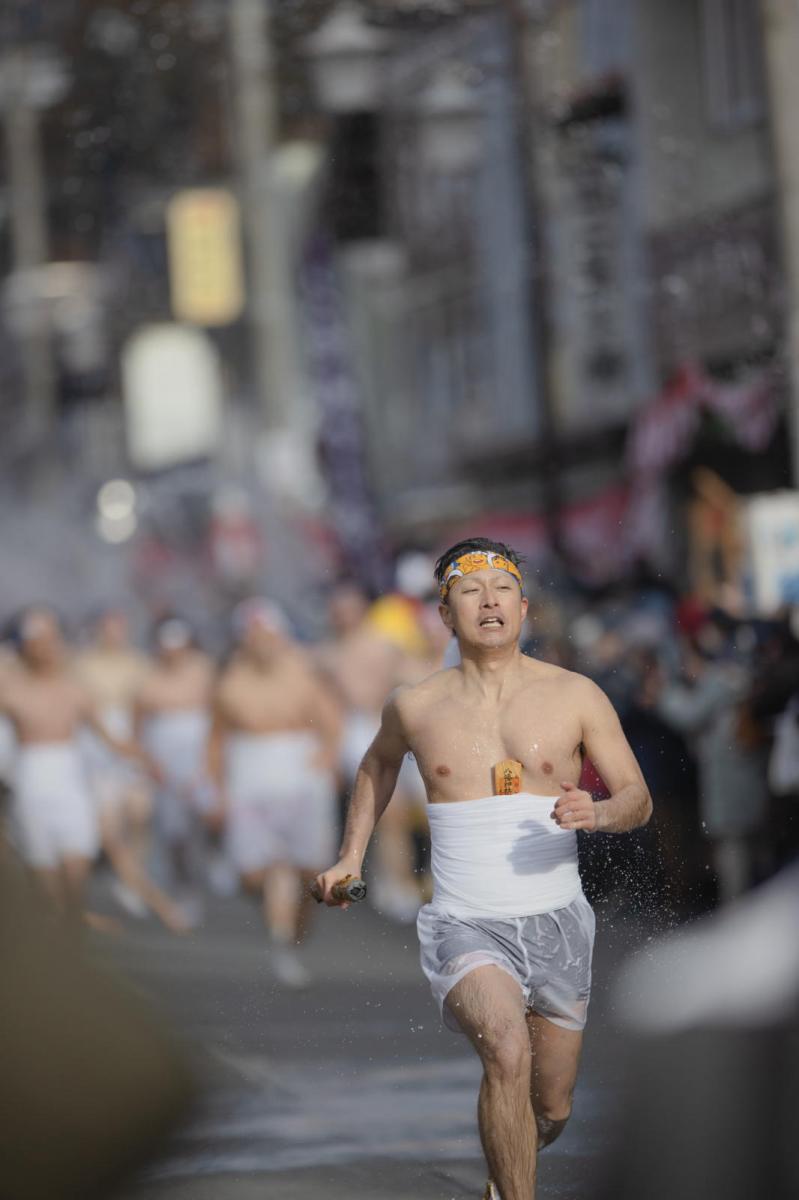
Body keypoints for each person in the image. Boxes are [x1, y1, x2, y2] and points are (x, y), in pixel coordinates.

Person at [316, 539, 652, 1200]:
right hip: (465, 922)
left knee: (549, 1108)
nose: (488, 600)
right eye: (470, 591)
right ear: (445, 613)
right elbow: (375, 768)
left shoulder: (575, 695)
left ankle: (504, 1177)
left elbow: (636, 800)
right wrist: (349, 856)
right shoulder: (414, 704)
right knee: (504, 1048)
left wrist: (598, 811)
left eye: (501, 588)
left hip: (557, 922)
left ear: (523, 607)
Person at [209, 598, 341, 987]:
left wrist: (327, 759)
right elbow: (216, 739)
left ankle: (291, 936)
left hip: (299, 770)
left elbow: (331, 723)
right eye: (253, 634)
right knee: (255, 873)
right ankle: (281, 936)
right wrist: (214, 790)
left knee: (307, 872)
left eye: (267, 633)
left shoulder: (303, 672)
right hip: (251, 772)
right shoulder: (229, 681)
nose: (261, 640)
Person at [0, 607, 154, 925]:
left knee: (75, 870)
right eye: (37, 641)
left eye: (50, 640)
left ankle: (70, 934)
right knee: (44, 878)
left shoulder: (75, 690)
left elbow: (111, 740)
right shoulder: (11, 689)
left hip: (70, 782)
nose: (46, 648)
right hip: (30, 782)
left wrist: (146, 760)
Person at [74, 609, 188, 932]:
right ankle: (144, 891)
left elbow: (147, 705)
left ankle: (134, 879)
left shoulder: (138, 664)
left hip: (130, 743)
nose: (114, 634)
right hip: (97, 749)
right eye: (108, 628)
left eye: (119, 628)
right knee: (109, 828)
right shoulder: (81, 664)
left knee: (140, 813)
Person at [134, 616, 215, 924]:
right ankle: (182, 887)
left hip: (198, 761)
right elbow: (139, 730)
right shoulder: (148, 679)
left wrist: (211, 764)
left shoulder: (203, 672)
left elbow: (217, 722)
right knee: (175, 833)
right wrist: (149, 765)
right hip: (165, 767)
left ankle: (201, 875)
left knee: (202, 821)